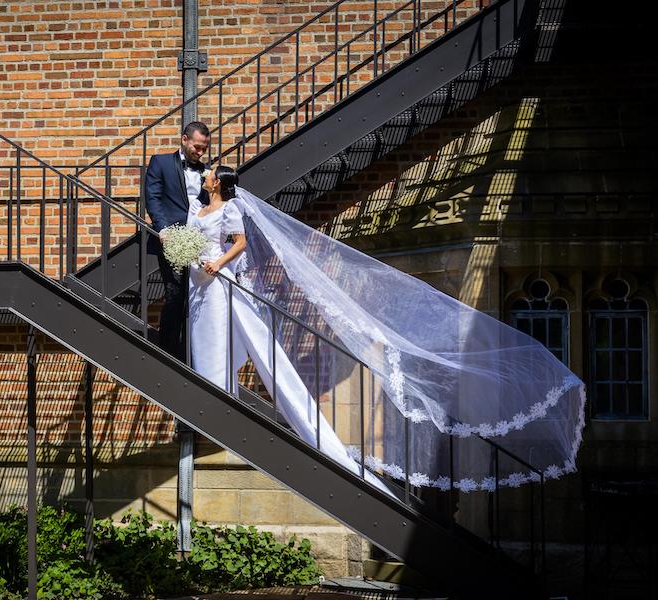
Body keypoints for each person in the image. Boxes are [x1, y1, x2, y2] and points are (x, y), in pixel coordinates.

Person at [187, 165, 586, 494]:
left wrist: (217, 264)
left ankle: (217, 387)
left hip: (216, 277)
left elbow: (238, 243)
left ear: (219, 182)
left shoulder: (232, 209)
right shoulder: (200, 207)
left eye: (209, 174)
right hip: (200, 284)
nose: (205, 176)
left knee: (236, 335)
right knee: (212, 336)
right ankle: (211, 382)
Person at [145, 121, 210, 361]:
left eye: (204, 148)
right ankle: (170, 351)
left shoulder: (207, 171)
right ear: (184, 140)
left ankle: (192, 350)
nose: (201, 153)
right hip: (172, 239)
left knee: (196, 295)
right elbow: (152, 198)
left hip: (199, 241)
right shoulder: (160, 163)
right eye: (197, 147)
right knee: (174, 292)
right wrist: (163, 230)